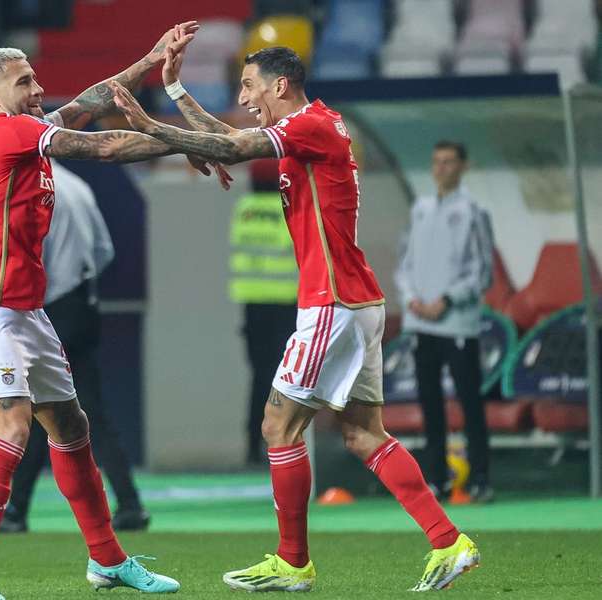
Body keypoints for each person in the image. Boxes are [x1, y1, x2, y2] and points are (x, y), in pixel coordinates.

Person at [111, 39, 480, 592]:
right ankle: (450, 542)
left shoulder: (312, 125)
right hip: (356, 302)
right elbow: (231, 137)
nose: (243, 96)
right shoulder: (311, 127)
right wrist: (174, 90)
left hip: (331, 304)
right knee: (361, 434)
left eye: (249, 85)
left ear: (279, 85)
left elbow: (233, 147)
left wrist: (152, 125)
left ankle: (293, 561)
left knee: (278, 426)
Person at [0, 22, 221, 599]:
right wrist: (190, 140)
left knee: (71, 427)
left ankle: (108, 561)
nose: (37, 87)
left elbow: (89, 103)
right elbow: (106, 145)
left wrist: (147, 56)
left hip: (22, 306)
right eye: (24, 81)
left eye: (35, 76)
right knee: (14, 426)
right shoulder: (6, 133)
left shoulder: (18, 128)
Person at [0, 161, 150, 534]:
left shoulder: (34, 186)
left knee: (41, 410)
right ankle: (130, 503)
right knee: (90, 410)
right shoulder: (78, 185)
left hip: (52, 307)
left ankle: (16, 510)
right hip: (84, 303)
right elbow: (104, 251)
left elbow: (29, 256)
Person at [395, 141, 494, 503]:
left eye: (449, 162)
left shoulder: (473, 211)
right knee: (429, 405)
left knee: (470, 402)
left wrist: (448, 300)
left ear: (463, 166)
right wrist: (412, 299)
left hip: (458, 324)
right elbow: (404, 265)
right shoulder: (420, 209)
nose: (441, 168)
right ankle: (436, 479)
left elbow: (483, 271)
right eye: (436, 162)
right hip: (421, 323)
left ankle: (481, 479)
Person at [229, 159, 298, 465]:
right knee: (287, 379)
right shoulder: (289, 210)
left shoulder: (244, 209)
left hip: (253, 306)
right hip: (286, 304)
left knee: (258, 377)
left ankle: (252, 445)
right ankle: (284, 441)